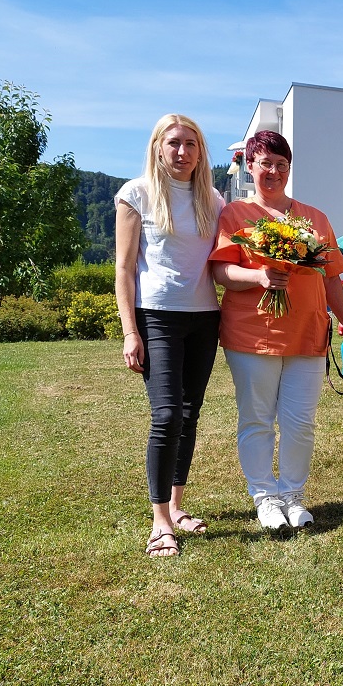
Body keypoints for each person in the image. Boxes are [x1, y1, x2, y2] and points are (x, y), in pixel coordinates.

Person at [209, 130, 343, 532]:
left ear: (289, 169)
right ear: (250, 167)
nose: (273, 171)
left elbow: (331, 279)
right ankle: (265, 498)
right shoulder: (235, 215)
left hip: (308, 333)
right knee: (256, 419)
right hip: (252, 335)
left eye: (281, 164)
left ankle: (293, 495)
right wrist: (258, 275)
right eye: (265, 164)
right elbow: (222, 271)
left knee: (300, 421)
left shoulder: (314, 218)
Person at [115, 114, 224, 557]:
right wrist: (129, 331)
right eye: (174, 143)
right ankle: (160, 520)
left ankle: (176, 507)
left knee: (190, 412)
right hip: (157, 316)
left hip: (205, 317)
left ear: (201, 152)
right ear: (158, 146)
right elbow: (123, 269)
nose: (182, 152)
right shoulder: (136, 194)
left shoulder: (213, 199)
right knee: (166, 416)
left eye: (191, 144)